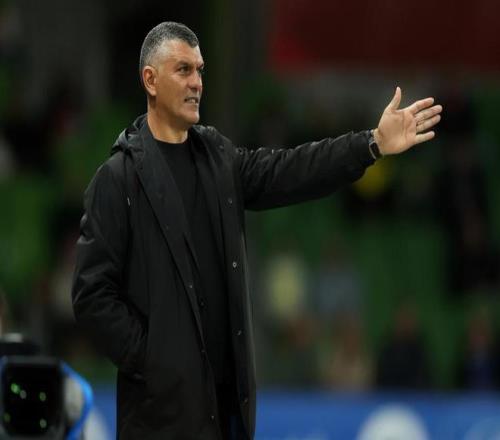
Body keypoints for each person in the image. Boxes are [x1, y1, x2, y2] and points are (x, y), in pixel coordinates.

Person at [71, 21, 442, 440]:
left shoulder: (219, 159)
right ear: (150, 80)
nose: (197, 83)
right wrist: (153, 360)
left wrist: (370, 143)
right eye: (183, 70)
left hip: (225, 412)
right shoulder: (118, 179)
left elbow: (293, 169)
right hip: (157, 418)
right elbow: (91, 295)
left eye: (200, 70)